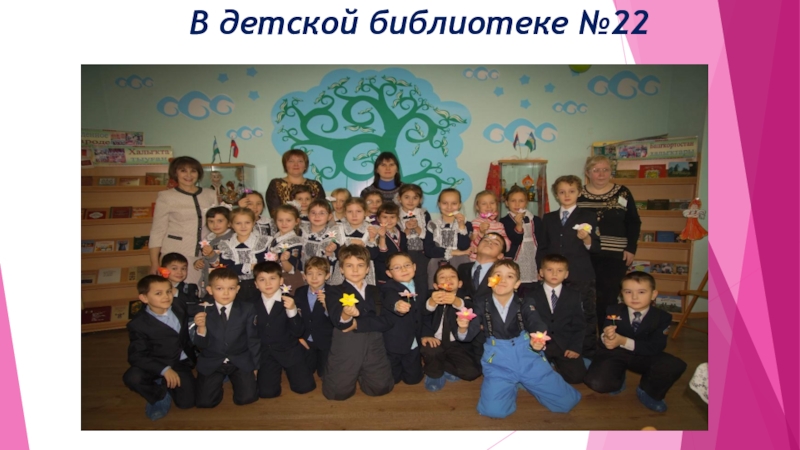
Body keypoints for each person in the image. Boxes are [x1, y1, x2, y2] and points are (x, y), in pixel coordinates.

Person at [456, 261, 581, 418]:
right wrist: (463, 327)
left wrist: (538, 338)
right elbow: (468, 335)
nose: (502, 280)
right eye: (498, 275)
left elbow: (536, 322)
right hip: (498, 358)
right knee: (493, 411)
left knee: (566, 403)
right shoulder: (481, 303)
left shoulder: (525, 302)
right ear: (490, 280)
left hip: (526, 354)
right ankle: (512, 384)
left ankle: (528, 379)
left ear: (516, 284)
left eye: (509, 276)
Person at [584, 272, 688, 413]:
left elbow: (657, 346)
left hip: (645, 355)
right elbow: (604, 338)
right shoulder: (613, 310)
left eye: (641, 292)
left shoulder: (662, 317)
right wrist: (606, 338)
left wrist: (624, 341)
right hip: (616, 353)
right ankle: (618, 377)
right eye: (628, 292)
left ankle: (647, 391)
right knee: (597, 383)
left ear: (653, 294)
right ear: (622, 294)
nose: (634, 297)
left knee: (674, 365)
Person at [577, 155, 642, 333]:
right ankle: (586, 337)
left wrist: (631, 249)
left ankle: (608, 336)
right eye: (596, 170)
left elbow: (633, 222)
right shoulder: (579, 194)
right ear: (588, 173)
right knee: (584, 297)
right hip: (585, 254)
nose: (601, 174)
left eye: (605, 170)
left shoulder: (623, 192)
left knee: (608, 298)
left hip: (614, 255)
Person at [538, 175, 600, 359]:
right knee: (555, 312)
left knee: (585, 313)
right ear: (556, 195)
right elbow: (542, 246)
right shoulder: (549, 218)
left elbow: (596, 247)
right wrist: (541, 269)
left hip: (580, 274)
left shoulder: (588, 216)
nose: (567, 195)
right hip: (553, 275)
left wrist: (587, 239)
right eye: (562, 192)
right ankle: (554, 351)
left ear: (579, 193)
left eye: (571, 191)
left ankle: (586, 354)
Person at [322, 245, 394, 400]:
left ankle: (363, 372)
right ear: (341, 269)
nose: (355, 270)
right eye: (349, 265)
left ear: (367, 269)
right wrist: (346, 314)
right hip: (346, 345)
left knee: (381, 388)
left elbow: (388, 321)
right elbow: (339, 323)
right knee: (337, 393)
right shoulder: (334, 291)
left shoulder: (377, 291)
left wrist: (358, 323)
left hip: (374, 344)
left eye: (360, 265)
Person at [123, 274, 196, 420]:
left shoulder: (178, 305)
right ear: (144, 298)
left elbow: (197, 307)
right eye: (158, 293)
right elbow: (136, 355)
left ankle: (165, 383)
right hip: (156, 362)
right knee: (132, 377)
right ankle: (159, 395)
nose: (166, 296)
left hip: (179, 361)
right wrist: (164, 369)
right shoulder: (138, 324)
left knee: (187, 402)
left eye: (168, 291)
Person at [192, 268, 261, 408]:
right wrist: (201, 328)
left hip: (239, 359)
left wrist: (255, 366)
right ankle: (216, 383)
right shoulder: (203, 309)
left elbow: (253, 339)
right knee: (205, 403)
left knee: (246, 398)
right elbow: (200, 345)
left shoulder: (247, 309)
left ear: (237, 289)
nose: (226, 293)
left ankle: (235, 379)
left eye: (231, 288)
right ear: (210, 290)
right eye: (219, 288)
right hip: (213, 359)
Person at [251, 261, 316, 398]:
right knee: (267, 393)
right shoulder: (252, 304)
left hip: (289, 349)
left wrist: (292, 310)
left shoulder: (292, 300)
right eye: (262, 280)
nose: (268, 283)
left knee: (304, 387)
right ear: (256, 284)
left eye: (272, 278)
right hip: (266, 353)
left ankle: (303, 361)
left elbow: (298, 331)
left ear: (281, 281)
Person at [149, 156, 217, 284]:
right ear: (175, 173)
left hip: (204, 253)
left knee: (202, 290)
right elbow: (157, 231)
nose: (189, 175)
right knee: (176, 291)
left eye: (193, 171)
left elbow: (218, 222)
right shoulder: (166, 197)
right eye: (183, 171)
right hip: (176, 254)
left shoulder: (210, 194)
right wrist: (154, 263)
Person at [420, 264, 482, 392]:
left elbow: (471, 307)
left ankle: (441, 364)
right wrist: (432, 301)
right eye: (442, 277)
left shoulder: (465, 296)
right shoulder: (431, 295)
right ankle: (434, 374)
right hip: (435, 340)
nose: (448, 279)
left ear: (460, 284)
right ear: (436, 286)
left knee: (472, 373)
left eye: (452, 276)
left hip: (457, 344)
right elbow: (423, 314)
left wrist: (456, 301)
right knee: (431, 350)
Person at [531, 254, 587, 384]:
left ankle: (557, 365)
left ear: (566, 274)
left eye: (560, 270)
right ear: (541, 272)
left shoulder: (574, 295)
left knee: (577, 377)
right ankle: (547, 365)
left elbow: (579, 325)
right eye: (550, 270)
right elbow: (528, 322)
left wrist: (575, 347)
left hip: (564, 345)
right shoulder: (531, 295)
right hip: (540, 345)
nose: (554, 274)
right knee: (534, 376)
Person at [380, 253, 424, 385]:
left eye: (407, 265)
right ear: (389, 273)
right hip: (395, 340)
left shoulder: (421, 285)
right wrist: (397, 305)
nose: (404, 269)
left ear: (414, 267)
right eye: (397, 267)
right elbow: (390, 298)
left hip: (414, 340)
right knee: (393, 377)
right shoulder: (389, 287)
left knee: (414, 379)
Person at [213, 208, 272, 302]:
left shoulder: (263, 242)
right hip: (234, 287)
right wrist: (250, 266)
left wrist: (240, 267)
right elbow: (227, 269)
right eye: (238, 223)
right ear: (231, 224)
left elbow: (264, 267)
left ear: (253, 223)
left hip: (260, 286)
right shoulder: (226, 245)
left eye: (247, 222)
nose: (243, 226)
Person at [423, 188, 473, 287]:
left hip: (461, 263)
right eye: (445, 203)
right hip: (438, 263)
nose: (449, 207)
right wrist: (454, 252)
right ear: (439, 204)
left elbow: (464, 246)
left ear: (459, 205)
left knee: (462, 289)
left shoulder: (467, 224)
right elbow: (429, 250)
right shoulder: (432, 224)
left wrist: (461, 226)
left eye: (454, 203)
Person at [500, 185, 544, 296]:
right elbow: (515, 240)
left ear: (526, 203)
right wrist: (519, 225)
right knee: (514, 289)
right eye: (513, 201)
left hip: (532, 260)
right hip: (515, 260)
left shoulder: (536, 220)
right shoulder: (504, 221)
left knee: (532, 292)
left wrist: (541, 266)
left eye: (521, 201)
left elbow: (541, 243)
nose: (517, 204)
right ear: (506, 203)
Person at [295, 257, 335, 379]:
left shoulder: (333, 293)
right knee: (306, 372)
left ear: (327, 276)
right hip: (306, 339)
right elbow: (296, 316)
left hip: (326, 341)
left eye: (319, 274)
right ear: (304, 276)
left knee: (324, 373)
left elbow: (337, 320)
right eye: (310, 274)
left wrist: (327, 306)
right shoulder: (300, 292)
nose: (314, 278)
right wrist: (299, 337)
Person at [329, 198, 379, 286]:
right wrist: (348, 243)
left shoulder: (372, 229)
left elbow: (373, 255)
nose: (354, 215)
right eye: (350, 212)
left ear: (365, 213)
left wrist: (371, 239)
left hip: (364, 275)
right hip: (343, 275)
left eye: (358, 211)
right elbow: (337, 254)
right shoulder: (338, 229)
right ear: (345, 213)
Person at [265, 149, 325, 219]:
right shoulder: (276, 184)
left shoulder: (315, 185)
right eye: (291, 161)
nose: (296, 164)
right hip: (284, 224)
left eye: (300, 161)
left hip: (313, 224)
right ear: (285, 165)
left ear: (305, 165)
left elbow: (322, 210)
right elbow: (274, 213)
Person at [398, 183, 431, 299]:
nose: (410, 201)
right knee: (403, 280)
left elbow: (427, 235)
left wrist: (416, 227)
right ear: (399, 198)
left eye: (415, 198)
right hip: (404, 253)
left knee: (421, 281)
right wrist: (407, 229)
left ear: (420, 200)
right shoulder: (396, 214)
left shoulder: (423, 213)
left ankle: (422, 304)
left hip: (421, 253)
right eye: (406, 197)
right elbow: (397, 237)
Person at [197, 206, 234, 297]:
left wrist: (211, 255)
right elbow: (206, 258)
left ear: (229, 223)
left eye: (220, 221)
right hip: (208, 280)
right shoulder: (209, 238)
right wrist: (200, 262)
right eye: (211, 221)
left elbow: (225, 263)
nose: (215, 225)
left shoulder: (231, 239)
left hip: (223, 284)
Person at [469, 190, 511, 261]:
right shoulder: (474, 223)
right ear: (477, 206)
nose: (489, 206)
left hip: (496, 262)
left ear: (496, 204)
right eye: (484, 204)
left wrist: (498, 240)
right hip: (477, 261)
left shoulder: (499, 225)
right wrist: (481, 233)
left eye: (492, 203)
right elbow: (473, 247)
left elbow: (507, 247)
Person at [300, 199, 340, 270]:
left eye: (322, 213)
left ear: (329, 216)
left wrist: (329, 252)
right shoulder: (301, 232)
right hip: (303, 271)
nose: (317, 216)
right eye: (313, 213)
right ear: (308, 215)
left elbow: (334, 260)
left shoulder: (333, 235)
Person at [374, 202, 407, 283]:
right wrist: (382, 237)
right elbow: (381, 257)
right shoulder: (375, 234)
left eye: (392, 217)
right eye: (385, 217)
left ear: (398, 218)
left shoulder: (402, 234)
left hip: (401, 273)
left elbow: (405, 253)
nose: (389, 220)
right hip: (383, 274)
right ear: (378, 219)